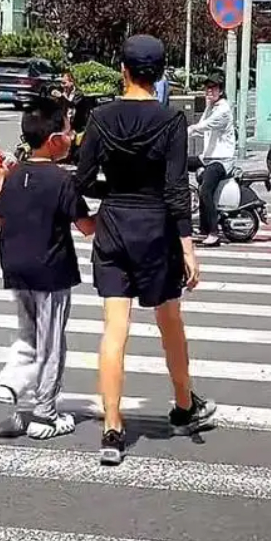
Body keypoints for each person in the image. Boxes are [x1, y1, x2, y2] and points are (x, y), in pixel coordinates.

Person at [75, 34, 216, 466]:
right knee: (169, 320)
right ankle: (184, 406)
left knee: (114, 328)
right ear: (159, 74)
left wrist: (110, 199)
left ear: (123, 70)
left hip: (115, 227)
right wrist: (188, 246)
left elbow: (81, 181)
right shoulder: (171, 120)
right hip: (157, 230)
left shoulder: (100, 118)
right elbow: (175, 189)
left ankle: (112, 429)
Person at [0, 97, 95, 440]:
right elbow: (87, 227)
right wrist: (117, 211)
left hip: (15, 269)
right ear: (53, 140)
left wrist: (0, 176)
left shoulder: (17, 174)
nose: (72, 136)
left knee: (29, 338)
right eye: (68, 130)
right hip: (51, 272)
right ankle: (45, 415)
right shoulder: (61, 180)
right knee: (51, 343)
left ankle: (9, 387)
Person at [187, 74, 236, 247]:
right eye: (207, 88)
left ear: (220, 91)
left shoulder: (223, 110)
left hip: (221, 160)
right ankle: (202, 226)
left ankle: (213, 233)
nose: (209, 91)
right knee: (178, 164)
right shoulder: (210, 106)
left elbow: (204, 126)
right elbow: (200, 129)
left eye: (213, 88)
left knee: (205, 190)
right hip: (207, 157)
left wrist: (186, 131)